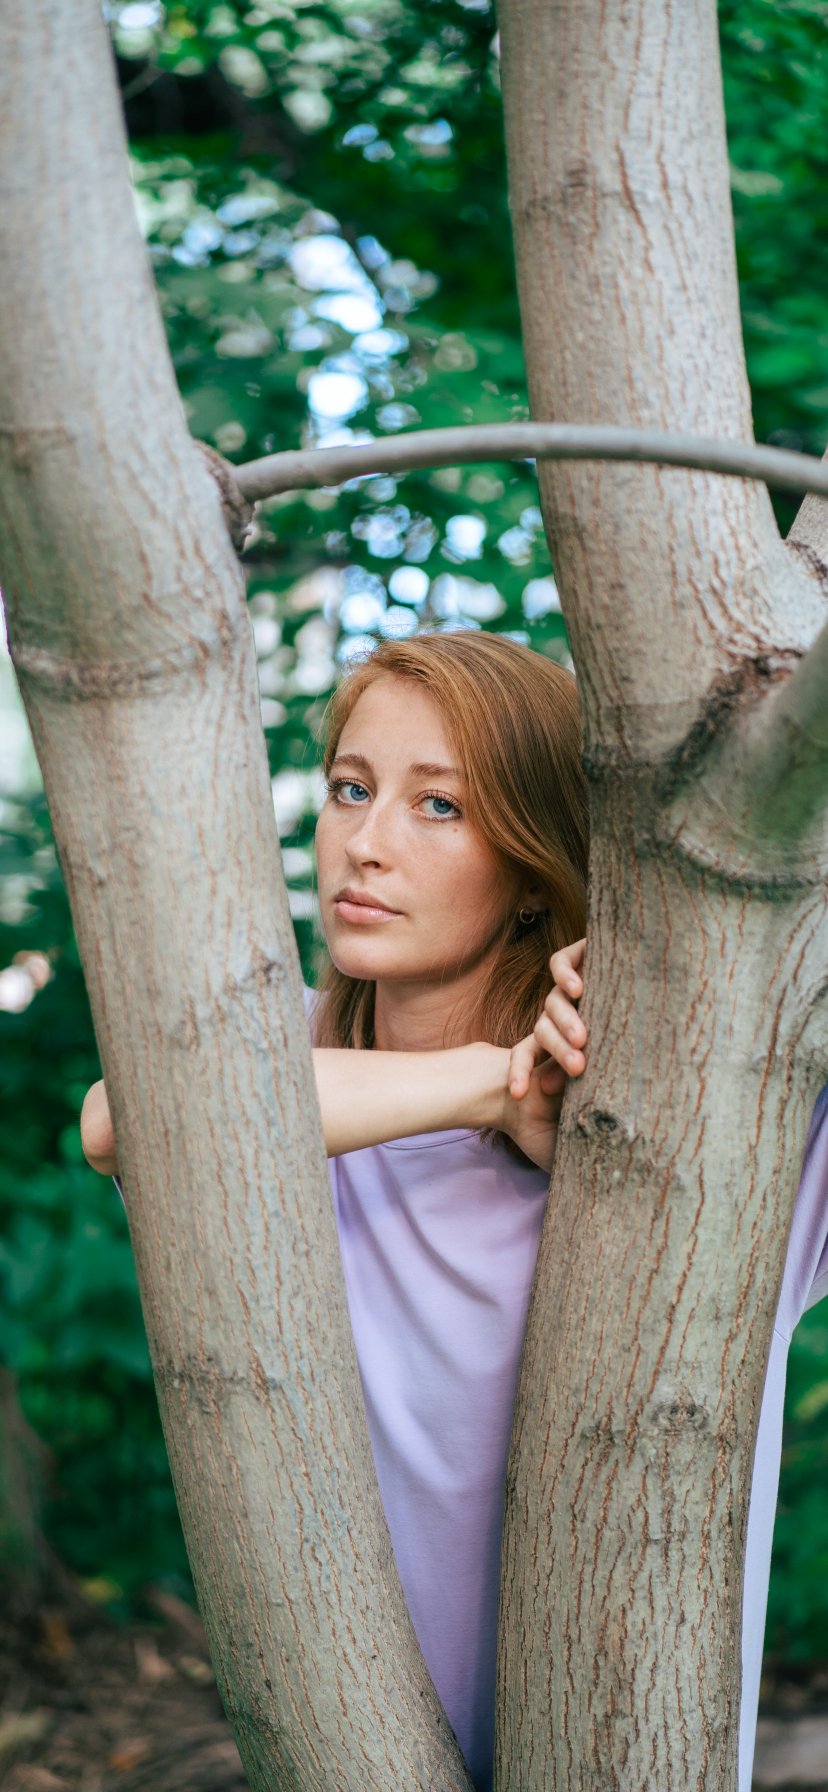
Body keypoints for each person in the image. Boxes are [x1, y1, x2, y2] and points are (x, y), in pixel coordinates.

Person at [81, 628, 828, 1792]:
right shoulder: (290, 1075)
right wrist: (489, 1083)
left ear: (533, 862)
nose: (365, 842)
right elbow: (126, 1115)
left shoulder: (698, 1122)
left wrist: (697, 960)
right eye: (351, 788)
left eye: (439, 806)